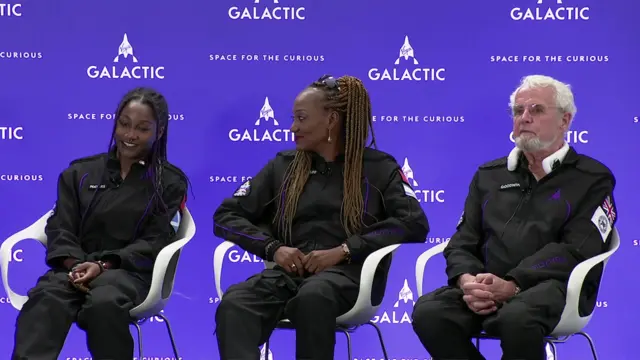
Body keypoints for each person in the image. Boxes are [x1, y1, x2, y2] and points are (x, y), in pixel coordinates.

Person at [213, 75, 429, 360]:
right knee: (235, 304)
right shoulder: (284, 166)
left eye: (301, 118)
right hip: (289, 276)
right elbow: (225, 216)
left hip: (350, 278)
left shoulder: (378, 168)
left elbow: (414, 222)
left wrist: (345, 250)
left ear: (331, 120)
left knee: (313, 298)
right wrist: (272, 248)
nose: (293, 127)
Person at [411, 75, 617, 360]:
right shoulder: (489, 175)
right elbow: (462, 241)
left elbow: (578, 249)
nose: (525, 117)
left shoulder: (592, 178)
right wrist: (467, 281)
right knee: (430, 313)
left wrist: (513, 284)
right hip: (485, 288)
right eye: (519, 111)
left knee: (517, 318)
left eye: (537, 109)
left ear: (565, 121)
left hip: (555, 288)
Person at [11, 87, 188, 360]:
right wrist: (74, 265)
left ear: (159, 132)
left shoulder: (170, 183)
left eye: (142, 129)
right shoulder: (79, 173)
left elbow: (156, 240)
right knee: (46, 299)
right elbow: (60, 227)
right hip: (75, 269)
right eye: (124, 124)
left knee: (104, 304)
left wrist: (104, 265)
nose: (130, 135)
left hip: (128, 273)